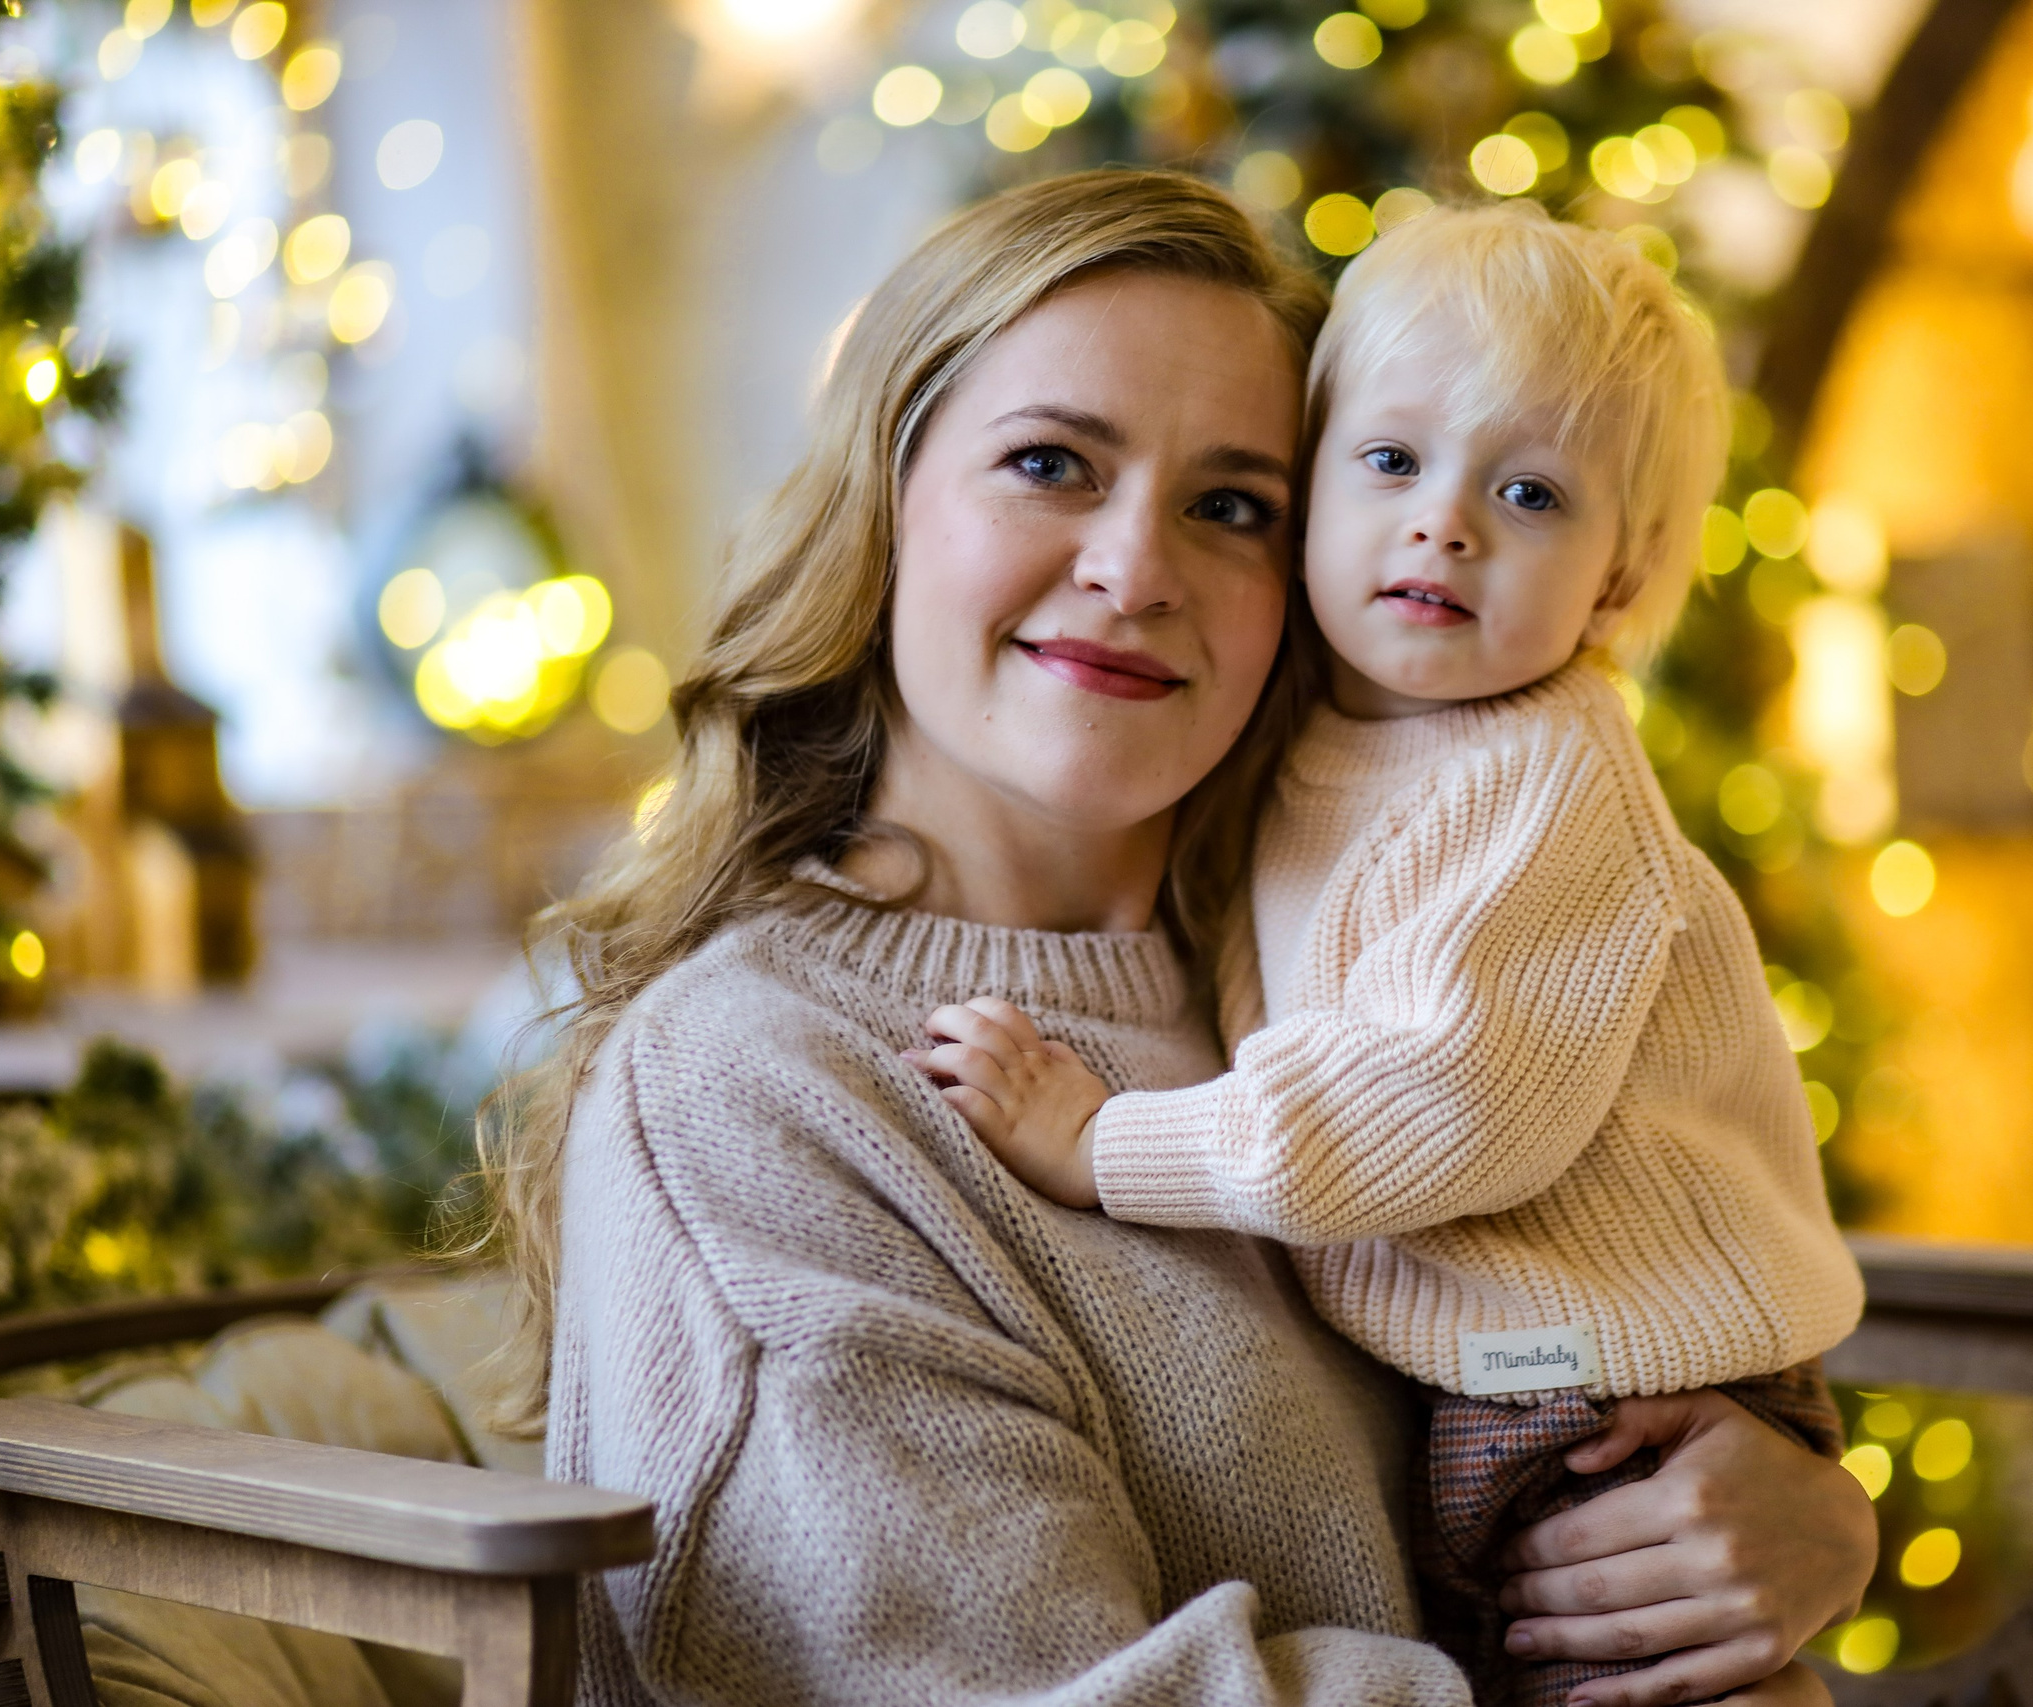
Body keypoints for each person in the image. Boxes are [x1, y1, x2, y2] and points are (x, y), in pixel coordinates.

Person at [491, 169, 1877, 1707]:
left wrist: (1786, 1516)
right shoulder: (757, 1090)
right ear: (883, 509)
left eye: (1232, 507)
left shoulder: (1332, 971)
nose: (1136, 569)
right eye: (1049, 464)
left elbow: (1573, 1310)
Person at [915, 202, 1866, 1707]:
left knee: (1626, 1666)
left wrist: (1106, 1145)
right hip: (1497, 1377)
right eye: (1390, 462)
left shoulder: (1544, 782)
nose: (1447, 523)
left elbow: (1438, 1100)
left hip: (1610, 1390)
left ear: (1617, 587)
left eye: (1534, 494)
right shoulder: (1302, 748)